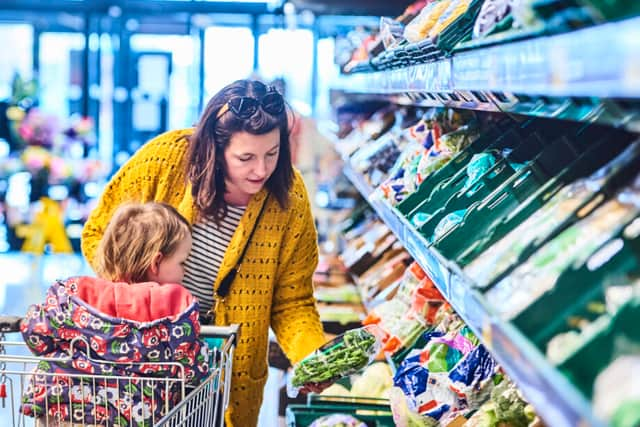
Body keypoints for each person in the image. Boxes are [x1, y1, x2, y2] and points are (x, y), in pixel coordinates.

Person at [81, 79, 328, 427]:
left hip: (227, 373)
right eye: (246, 158)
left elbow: (292, 301)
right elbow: (98, 234)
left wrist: (311, 354)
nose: (261, 169)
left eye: (272, 153)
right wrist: (135, 298)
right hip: (142, 361)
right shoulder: (164, 160)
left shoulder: (289, 198)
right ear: (214, 147)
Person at [20, 202, 209, 427]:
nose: (185, 272)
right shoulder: (173, 306)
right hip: (132, 413)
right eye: (182, 262)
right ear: (156, 262)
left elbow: (36, 333)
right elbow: (192, 368)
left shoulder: (76, 294)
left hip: (61, 404)